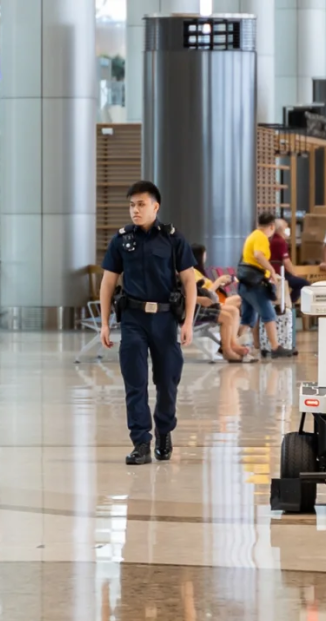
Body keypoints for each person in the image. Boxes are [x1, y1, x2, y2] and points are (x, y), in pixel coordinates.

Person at [100, 181, 198, 465]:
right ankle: (141, 442)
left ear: (155, 206)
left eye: (141, 204)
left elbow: (189, 281)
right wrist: (105, 323)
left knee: (167, 381)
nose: (135, 210)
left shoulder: (173, 239)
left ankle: (164, 432)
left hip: (166, 320)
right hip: (132, 319)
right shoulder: (121, 240)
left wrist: (188, 322)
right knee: (135, 382)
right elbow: (108, 283)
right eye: (131, 205)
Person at [237, 213, 296, 359]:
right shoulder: (261, 237)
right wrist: (270, 270)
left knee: (247, 318)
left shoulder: (252, 235)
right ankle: (275, 347)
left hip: (246, 283)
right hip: (255, 283)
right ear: (271, 226)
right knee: (269, 315)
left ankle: (229, 344)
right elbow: (258, 255)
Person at [190, 243, 252, 363]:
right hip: (204, 304)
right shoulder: (192, 272)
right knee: (233, 310)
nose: (205, 256)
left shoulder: (197, 272)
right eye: (204, 254)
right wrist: (218, 282)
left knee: (237, 305)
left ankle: (232, 343)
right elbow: (204, 293)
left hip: (210, 301)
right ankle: (227, 348)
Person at [269, 218, 311, 303]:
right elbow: (286, 261)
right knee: (303, 283)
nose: (288, 230)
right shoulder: (280, 242)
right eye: (286, 227)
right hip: (279, 272)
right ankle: (289, 304)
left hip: (275, 271)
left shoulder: (272, 239)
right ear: (281, 229)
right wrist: (294, 274)